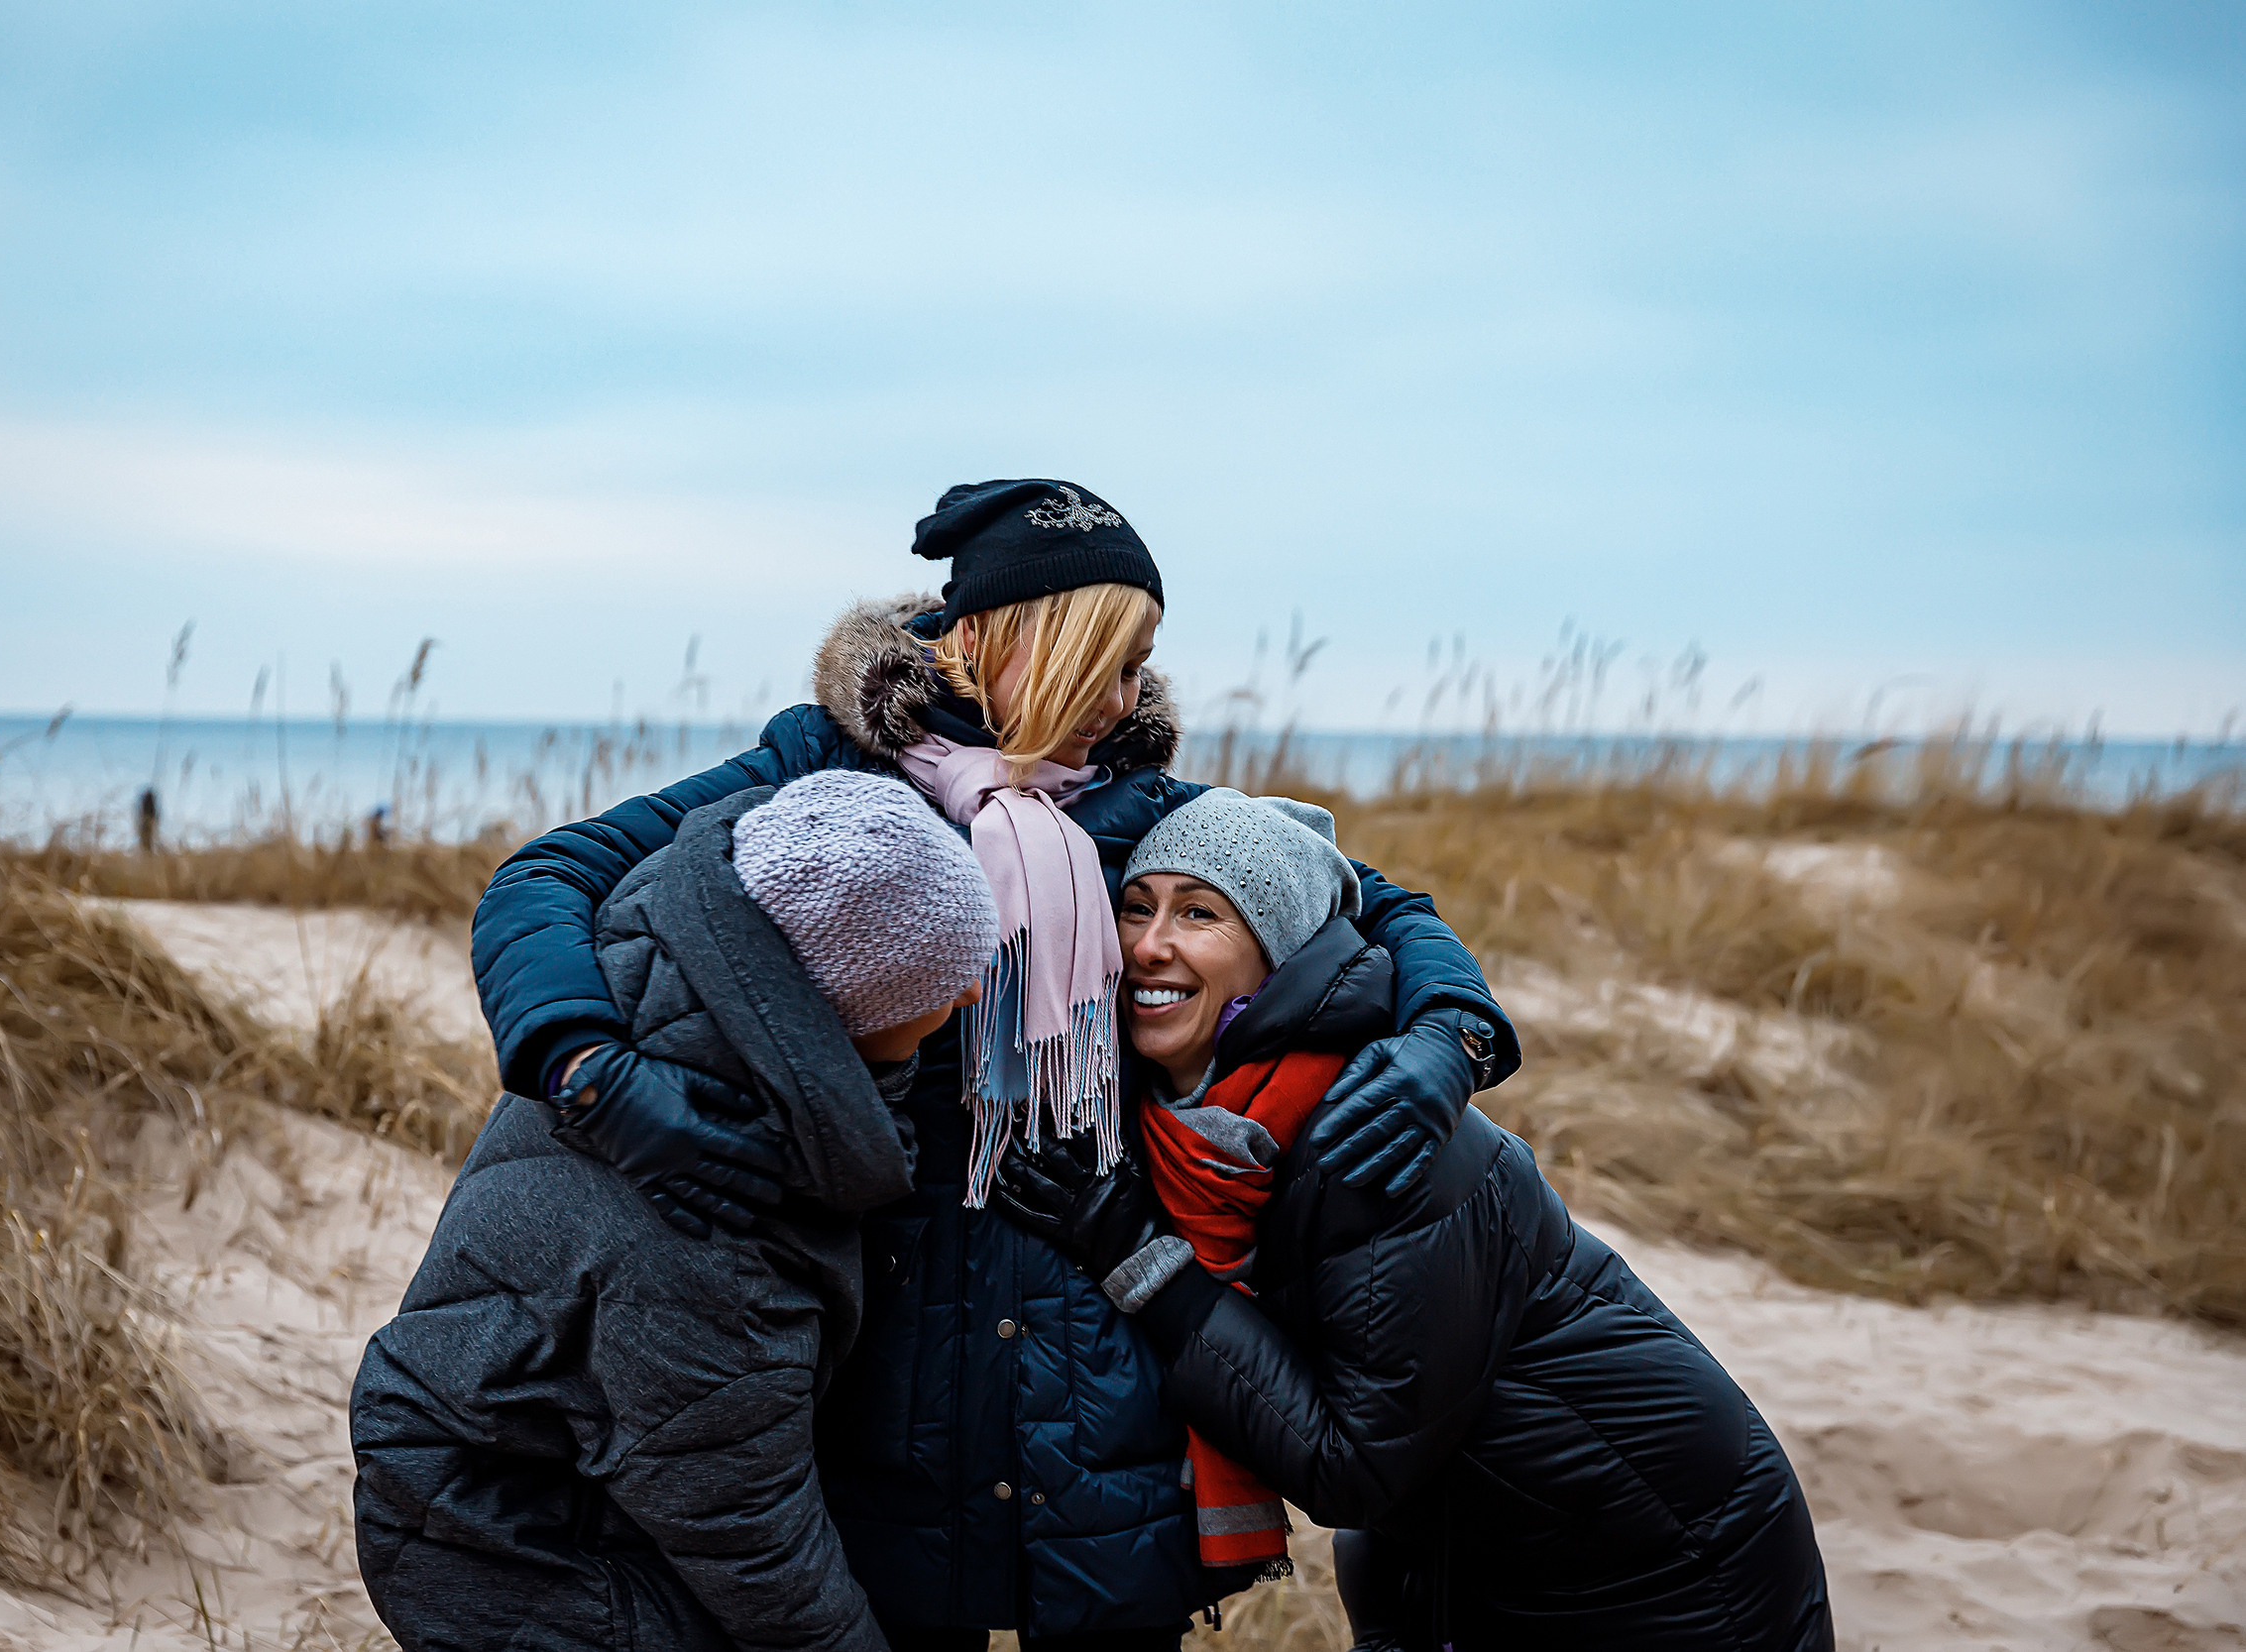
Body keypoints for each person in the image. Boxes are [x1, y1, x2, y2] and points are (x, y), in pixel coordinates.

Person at [469, 479, 1519, 1646]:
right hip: (886, 1372)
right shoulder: (824, 779)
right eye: (1098, 664)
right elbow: (548, 874)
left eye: (1137, 668)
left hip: (1095, 1375)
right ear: (991, 638)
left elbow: (1387, 905)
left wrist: (1447, 1040)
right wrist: (585, 1068)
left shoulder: (1140, 809)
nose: (1120, 701)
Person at [994, 788, 1836, 1651]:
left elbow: (1351, 1463)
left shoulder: (1370, 1129)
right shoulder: (1205, 1119)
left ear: (1277, 952)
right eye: (1136, 907)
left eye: (1200, 912)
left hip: (1664, 1573)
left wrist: (1140, 1257)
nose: (1147, 944)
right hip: (1475, 1547)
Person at [350, 772, 999, 1651]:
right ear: (843, 1004)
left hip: (521, 1472)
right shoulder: (709, 1214)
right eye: (942, 978)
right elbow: (748, 1531)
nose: (966, 999)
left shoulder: (655, 1004)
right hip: (512, 1544)